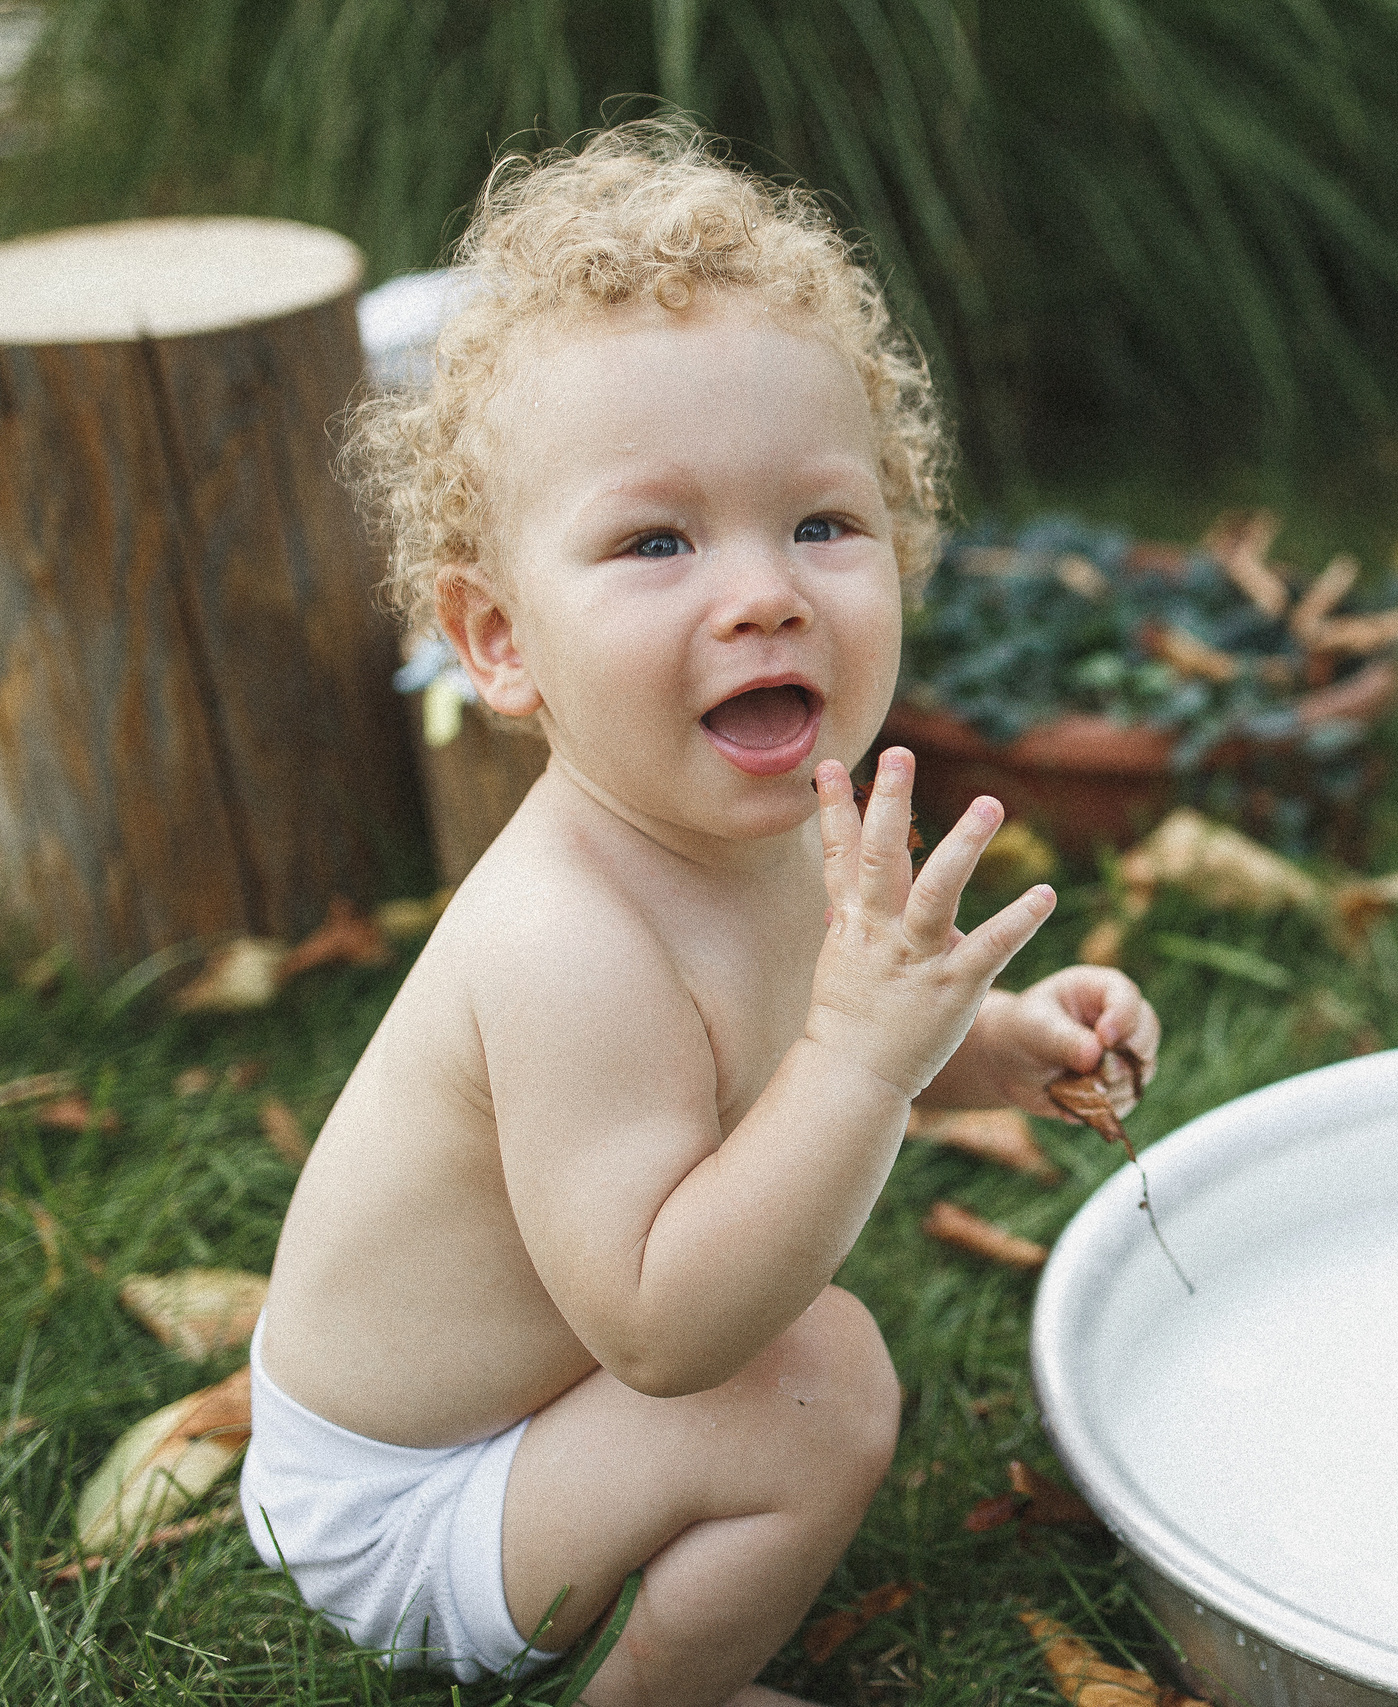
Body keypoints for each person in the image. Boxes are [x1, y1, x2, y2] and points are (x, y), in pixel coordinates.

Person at [242, 120, 1160, 1707]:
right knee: (818, 1390)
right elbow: (668, 1335)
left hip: (532, 1413)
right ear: (499, 640)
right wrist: (863, 1060)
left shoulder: (775, 831)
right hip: (407, 1506)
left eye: (822, 524)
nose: (765, 593)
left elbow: (817, 1019)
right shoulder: (566, 941)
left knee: (808, 1361)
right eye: (656, 541)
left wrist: (1001, 1043)